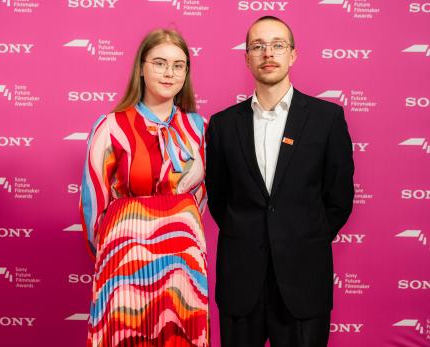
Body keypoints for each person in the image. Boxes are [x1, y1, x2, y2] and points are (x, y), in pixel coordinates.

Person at [206, 16, 354, 347]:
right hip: (241, 281)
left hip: (304, 281)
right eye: (257, 46)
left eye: (277, 45)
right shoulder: (222, 125)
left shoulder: (326, 119)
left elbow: (339, 198)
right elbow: (219, 198)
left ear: (293, 55)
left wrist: (302, 236)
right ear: (246, 58)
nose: (268, 53)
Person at [80, 28, 209, 347]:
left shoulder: (200, 128)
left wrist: (184, 233)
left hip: (184, 264)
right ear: (141, 66)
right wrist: (111, 251)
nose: (169, 72)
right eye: (160, 63)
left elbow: (200, 198)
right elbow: (92, 198)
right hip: (126, 261)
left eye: (179, 65)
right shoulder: (111, 125)